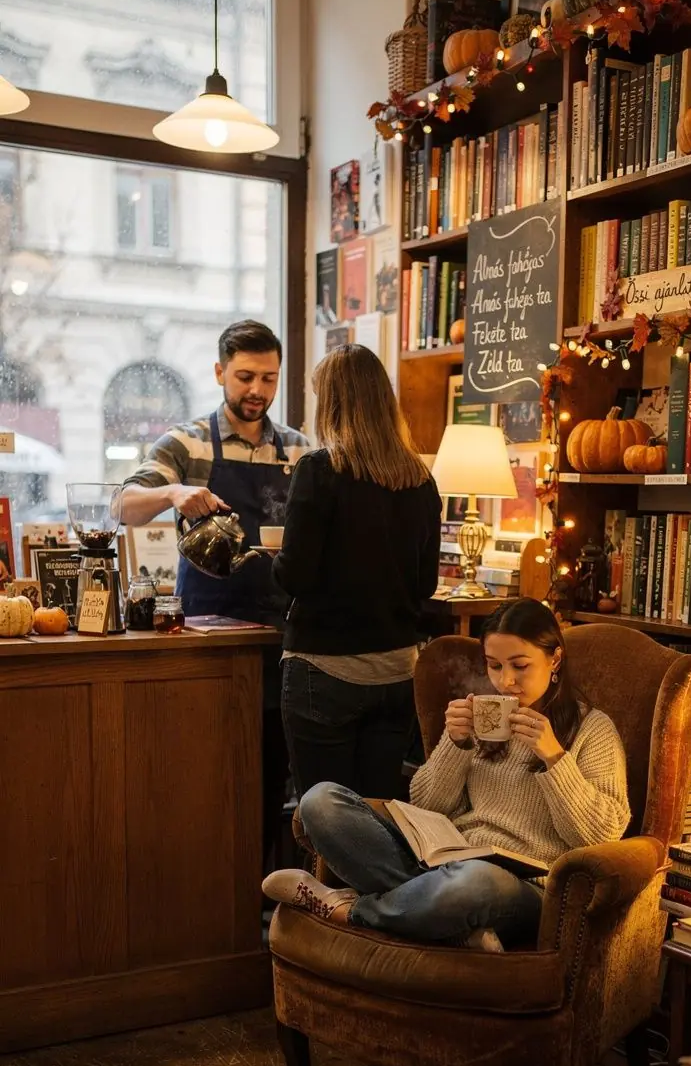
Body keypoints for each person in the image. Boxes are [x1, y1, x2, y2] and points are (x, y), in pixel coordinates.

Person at [263, 598, 630, 952]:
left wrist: (554, 757)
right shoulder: (481, 721)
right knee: (320, 801)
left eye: (520, 666)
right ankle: (447, 924)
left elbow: (602, 835)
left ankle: (349, 909)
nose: (505, 682)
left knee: (476, 882)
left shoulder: (592, 729)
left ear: (555, 660)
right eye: (494, 665)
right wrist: (455, 745)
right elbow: (427, 805)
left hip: (524, 887)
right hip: (448, 864)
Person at [120, 319, 309, 866]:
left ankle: (262, 894)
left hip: (278, 633)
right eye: (245, 376)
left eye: (269, 379)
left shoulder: (296, 451)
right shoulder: (186, 442)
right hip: (206, 630)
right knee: (205, 770)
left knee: (272, 768)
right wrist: (175, 491)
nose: (257, 391)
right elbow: (123, 505)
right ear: (220, 371)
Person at [271, 343, 441, 800]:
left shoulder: (318, 470)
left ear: (330, 403)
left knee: (326, 816)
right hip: (397, 674)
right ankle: (375, 878)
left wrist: (268, 562)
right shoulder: (420, 480)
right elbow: (426, 585)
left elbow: (296, 576)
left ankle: (322, 877)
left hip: (324, 672)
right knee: (379, 815)